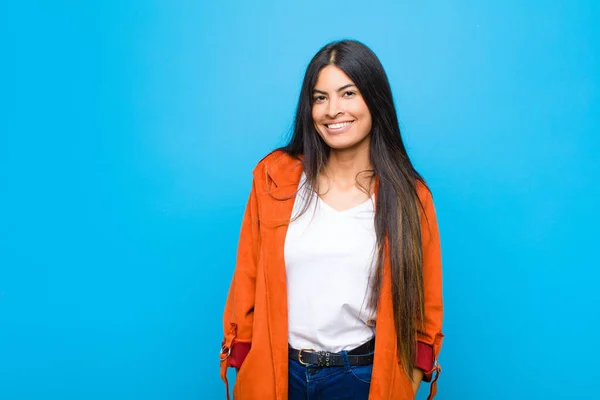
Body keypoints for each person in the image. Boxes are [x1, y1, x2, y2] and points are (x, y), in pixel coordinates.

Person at [219, 39, 444, 400]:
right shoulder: (273, 177)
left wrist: (411, 379)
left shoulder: (409, 196)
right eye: (320, 97)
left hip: (361, 379)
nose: (333, 110)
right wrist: (245, 362)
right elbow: (245, 279)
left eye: (348, 93)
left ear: (375, 99)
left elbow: (424, 306)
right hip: (280, 374)